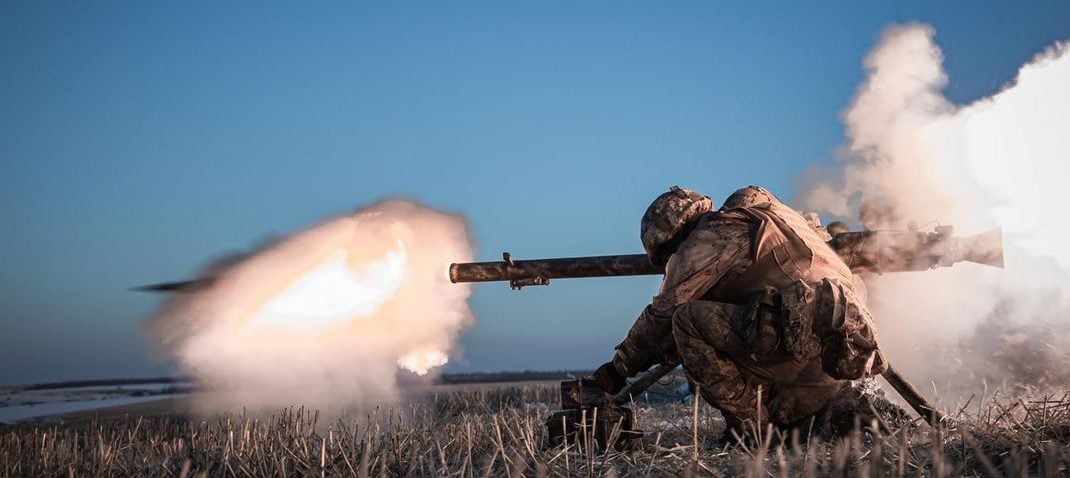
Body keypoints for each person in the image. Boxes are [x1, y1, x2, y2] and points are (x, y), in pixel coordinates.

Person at [592, 185, 888, 438]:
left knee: (685, 322)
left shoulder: (706, 239)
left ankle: (754, 431)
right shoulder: (786, 219)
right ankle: (815, 413)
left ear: (673, 238)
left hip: (802, 345)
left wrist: (617, 370)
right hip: (855, 345)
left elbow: (662, 317)